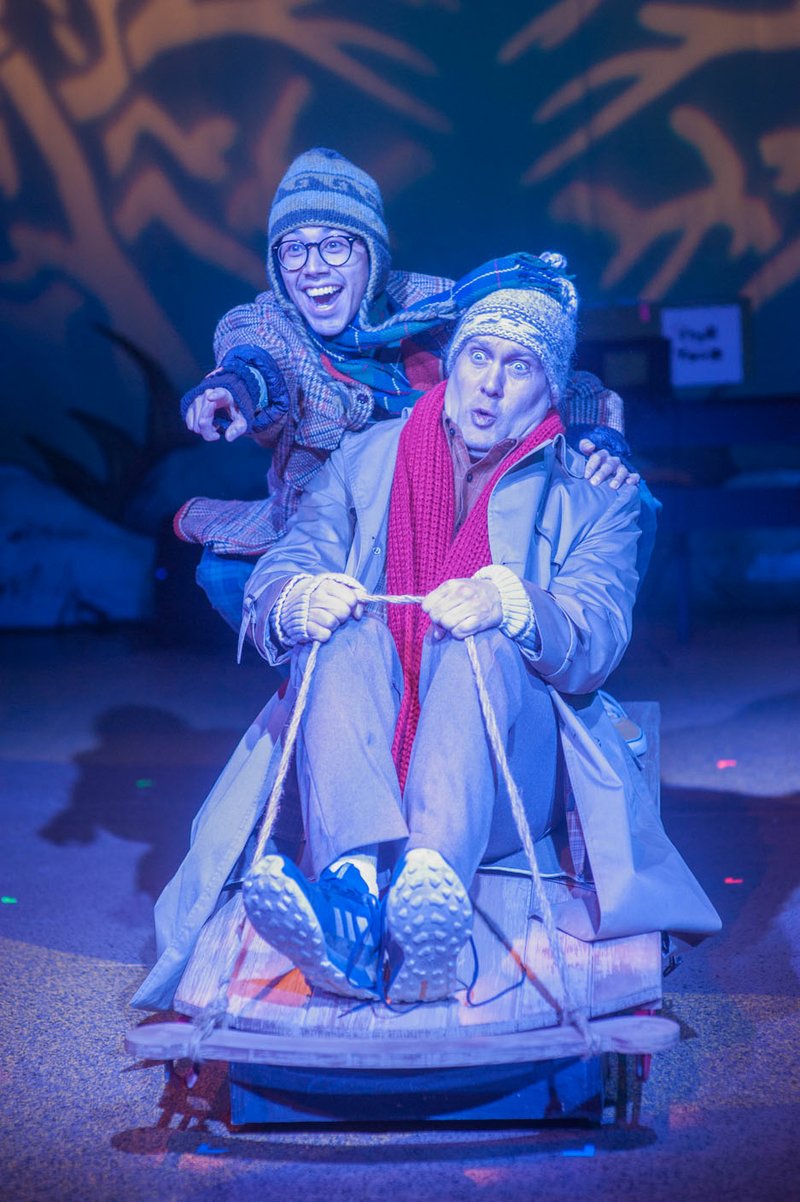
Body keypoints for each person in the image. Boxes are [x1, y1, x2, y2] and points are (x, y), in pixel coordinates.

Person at [133, 264, 718, 1015]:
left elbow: (594, 638)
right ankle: (352, 894)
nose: (491, 386)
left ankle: (434, 901)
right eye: (478, 357)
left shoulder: (593, 494)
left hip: (512, 771)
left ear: (551, 387)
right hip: (367, 755)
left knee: (480, 639)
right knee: (343, 633)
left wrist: (511, 600)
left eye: (520, 367)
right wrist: (293, 601)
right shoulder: (366, 458)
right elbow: (294, 555)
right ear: (454, 362)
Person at [174, 148, 640, 636]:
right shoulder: (272, 322)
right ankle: (318, 688)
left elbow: (559, 378)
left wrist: (596, 439)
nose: (311, 267)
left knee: (626, 497)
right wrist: (235, 389)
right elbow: (254, 359)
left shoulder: (434, 306)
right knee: (227, 574)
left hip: (452, 512)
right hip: (336, 526)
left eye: (334, 245)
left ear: (370, 254)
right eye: (293, 248)